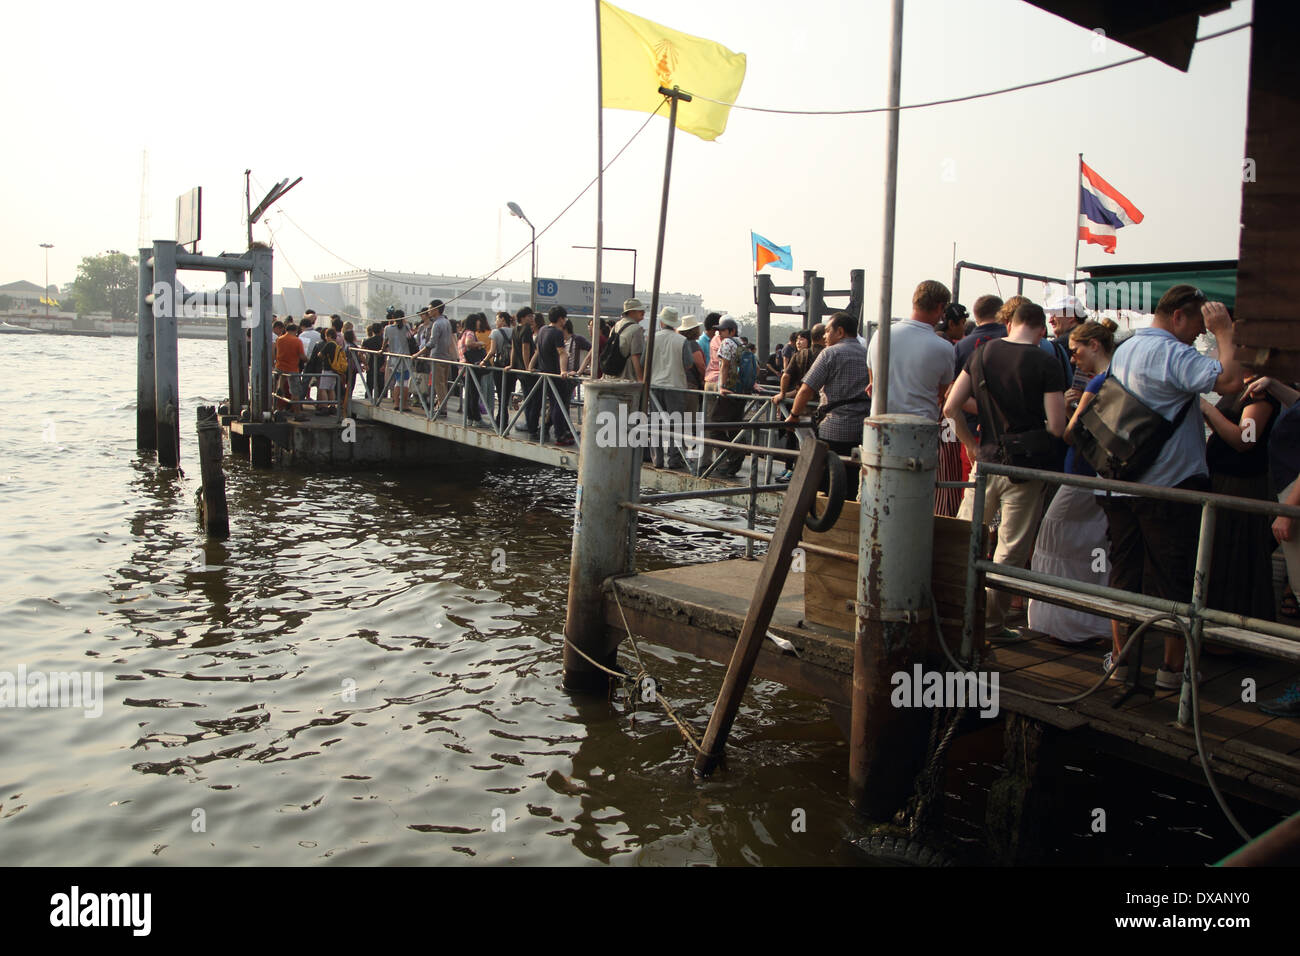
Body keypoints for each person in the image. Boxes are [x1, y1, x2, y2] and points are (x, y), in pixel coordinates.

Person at [1094, 286, 1244, 689]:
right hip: (1168, 486)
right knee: (1173, 578)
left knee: (1124, 574)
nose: (1200, 334)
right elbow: (1229, 381)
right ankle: (1171, 671)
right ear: (1178, 316)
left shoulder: (1126, 348)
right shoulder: (1173, 354)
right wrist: (1225, 333)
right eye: (1197, 325)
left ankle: (1122, 661)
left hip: (1122, 481)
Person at [945, 301, 1068, 643]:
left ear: (1010, 323)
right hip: (1025, 469)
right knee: (1009, 550)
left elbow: (951, 406)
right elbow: (1057, 427)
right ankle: (990, 626)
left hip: (985, 460)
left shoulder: (981, 354)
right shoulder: (1047, 361)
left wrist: (970, 443)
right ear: (1041, 330)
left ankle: (953, 614)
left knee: (965, 538)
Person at [1026, 319, 1119, 646]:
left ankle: (1064, 622)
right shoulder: (1118, 378)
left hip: (1080, 472)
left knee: (1054, 537)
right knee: (1093, 546)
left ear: (1094, 345)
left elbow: (1070, 433)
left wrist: (1065, 408)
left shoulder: (1095, 386)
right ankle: (1089, 621)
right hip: (1101, 475)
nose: (1074, 359)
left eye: (1076, 352)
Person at [869, 280, 957, 512]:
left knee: (876, 500)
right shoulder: (943, 348)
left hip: (879, 431)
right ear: (940, 308)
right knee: (913, 506)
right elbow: (942, 393)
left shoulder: (881, 335)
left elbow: (872, 380)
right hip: (920, 435)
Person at [1201, 372, 1279, 622]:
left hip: (1240, 482)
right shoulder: (1240, 387)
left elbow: (1246, 439)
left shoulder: (1260, 394)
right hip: (1224, 477)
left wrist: (1206, 408)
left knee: (1236, 554)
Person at [786, 311, 871, 464]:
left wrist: (793, 415)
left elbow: (806, 389)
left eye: (827, 331)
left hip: (834, 429)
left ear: (840, 332)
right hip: (863, 430)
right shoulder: (867, 353)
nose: (824, 336)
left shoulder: (830, 353)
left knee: (828, 479)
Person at [649, 307, 692, 469]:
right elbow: (688, 364)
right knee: (675, 423)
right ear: (674, 324)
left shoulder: (652, 338)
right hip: (676, 386)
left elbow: (643, 363)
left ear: (661, 322)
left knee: (655, 423)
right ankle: (675, 458)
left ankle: (657, 459)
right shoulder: (681, 340)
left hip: (655, 386)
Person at [534, 306, 574, 445]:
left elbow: (538, 351)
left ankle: (546, 429)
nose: (565, 322)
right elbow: (562, 353)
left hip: (545, 373)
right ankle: (560, 435)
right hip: (555, 375)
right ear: (560, 319)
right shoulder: (557, 333)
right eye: (564, 318)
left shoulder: (542, 330)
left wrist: (530, 366)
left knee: (553, 404)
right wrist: (564, 371)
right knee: (559, 404)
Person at [510, 307, 539, 437]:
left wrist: (511, 364)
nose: (532, 318)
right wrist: (529, 367)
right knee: (534, 399)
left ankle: (529, 424)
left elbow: (513, 350)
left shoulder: (515, 329)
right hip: (527, 371)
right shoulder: (526, 329)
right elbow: (525, 349)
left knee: (527, 398)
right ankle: (532, 427)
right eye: (529, 316)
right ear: (522, 318)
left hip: (519, 370)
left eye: (532, 316)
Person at [606, 298, 647, 382]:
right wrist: (641, 379)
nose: (643, 312)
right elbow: (636, 356)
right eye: (640, 310)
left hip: (611, 376)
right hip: (627, 378)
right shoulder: (636, 329)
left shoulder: (616, 326)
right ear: (631, 312)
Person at [458, 313, 488, 425]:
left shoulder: (463, 333)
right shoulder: (470, 333)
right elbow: (469, 344)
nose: (479, 323)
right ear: (474, 322)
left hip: (462, 368)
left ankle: (470, 418)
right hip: (470, 368)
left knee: (470, 394)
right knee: (474, 395)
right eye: (478, 321)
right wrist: (480, 343)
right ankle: (477, 419)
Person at [381, 309, 413, 412]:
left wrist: (381, 350)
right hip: (405, 358)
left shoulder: (387, 328)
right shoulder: (406, 328)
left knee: (398, 382)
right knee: (405, 382)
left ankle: (396, 403)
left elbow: (385, 341)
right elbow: (411, 339)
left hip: (394, 359)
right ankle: (404, 405)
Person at [486, 311, 514, 430]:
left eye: (497, 319)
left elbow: (492, 351)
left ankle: (500, 423)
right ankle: (504, 422)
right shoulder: (515, 331)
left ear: (503, 320)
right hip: (512, 367)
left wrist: (484, 361)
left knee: (500, 394)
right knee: (507, 396)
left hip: (499, 366)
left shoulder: (495, 332)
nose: (495, 322)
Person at [274, 321, 306, 416]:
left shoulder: (279, 339)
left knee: (280, 388)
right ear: (295, 331)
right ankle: (297, 414)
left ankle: (278, 408)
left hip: (280, 367)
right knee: (295, 392)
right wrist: (308, 359)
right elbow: (301, 356)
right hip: (292, 368)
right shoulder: (297, 341)